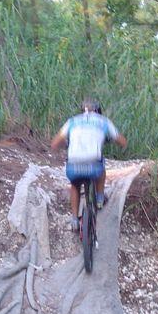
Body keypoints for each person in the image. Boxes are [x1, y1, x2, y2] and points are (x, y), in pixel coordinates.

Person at [51, 99, 127, 232]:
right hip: (94, 164)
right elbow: (122, 141)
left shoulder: (72, 121)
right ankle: (99, 198)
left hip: (74, 163)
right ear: (98, 111)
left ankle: (74, 219)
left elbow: (55, 143)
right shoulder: (103, 121)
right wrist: (120, 144)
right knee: (101, 166)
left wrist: (66, 145)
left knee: (75, 184)